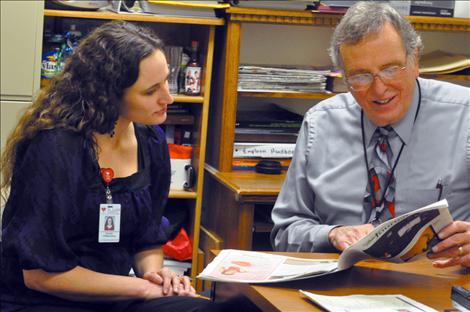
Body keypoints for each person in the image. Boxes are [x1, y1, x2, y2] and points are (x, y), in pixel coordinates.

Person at [0, 21, 257, 312]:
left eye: (166, 81)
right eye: (151, 91)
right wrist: (143, 288)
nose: (168, 98)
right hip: (41, 301)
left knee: (229, 308)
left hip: (115, 296)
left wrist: (154, 273)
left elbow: (146, 238)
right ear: (108, 95)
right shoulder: (55, 147)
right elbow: (39, 275)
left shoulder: (150, 139)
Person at [271, 2, 470, 268]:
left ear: (415, 61)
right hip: (339, 288)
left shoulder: (465, 116)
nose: (379, 89)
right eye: (361, 76)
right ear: (344, 76)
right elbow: (285, 233)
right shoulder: (321, 122)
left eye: (390, 69)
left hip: (438, 287)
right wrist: (330, 234)